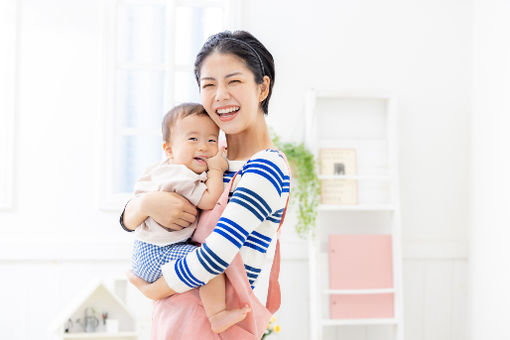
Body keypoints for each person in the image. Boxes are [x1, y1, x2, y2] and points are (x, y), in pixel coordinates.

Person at [120, 30, 290, 339]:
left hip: (215, 329)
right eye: (209, 85)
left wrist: (152, 289)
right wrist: (143, 205)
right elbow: (133, 218)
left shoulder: (266, 166)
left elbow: (214, 257)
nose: (220, 95)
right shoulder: (209, 160)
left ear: (262, 87)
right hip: (176, 323)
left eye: (234, 81)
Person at [129, 102, 250, 333]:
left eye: (211, 140)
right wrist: (216, 170)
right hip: (157, 252)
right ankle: (218, 315)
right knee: (208, 264)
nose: (204, 147)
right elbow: (208, 200)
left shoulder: (163, 168)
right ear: (169, 149)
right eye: (193, 139)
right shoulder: (180, 175)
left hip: (146, 249)